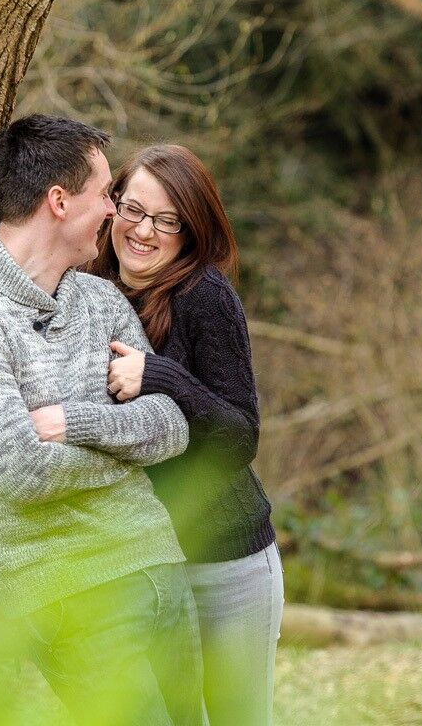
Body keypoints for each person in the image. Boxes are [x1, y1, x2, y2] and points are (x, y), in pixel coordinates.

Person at [0, 116, 205, 726]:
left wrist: (73, 423)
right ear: (59, 201)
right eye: (104, 194)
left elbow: (172, 426)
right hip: (72, 597)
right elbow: (20, 471)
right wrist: (124, 454)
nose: (113, 212)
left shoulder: (100, 300)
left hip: (160, 568)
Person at [91, 143, 284, 726]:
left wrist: (162, 376)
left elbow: (240, 437)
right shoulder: (86, 288)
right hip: (142, 570)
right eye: (133, 209)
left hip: (226, 564)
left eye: (167, 220)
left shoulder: (204, 297)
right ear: (112, 205)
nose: (143, 231)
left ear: (191, 229)